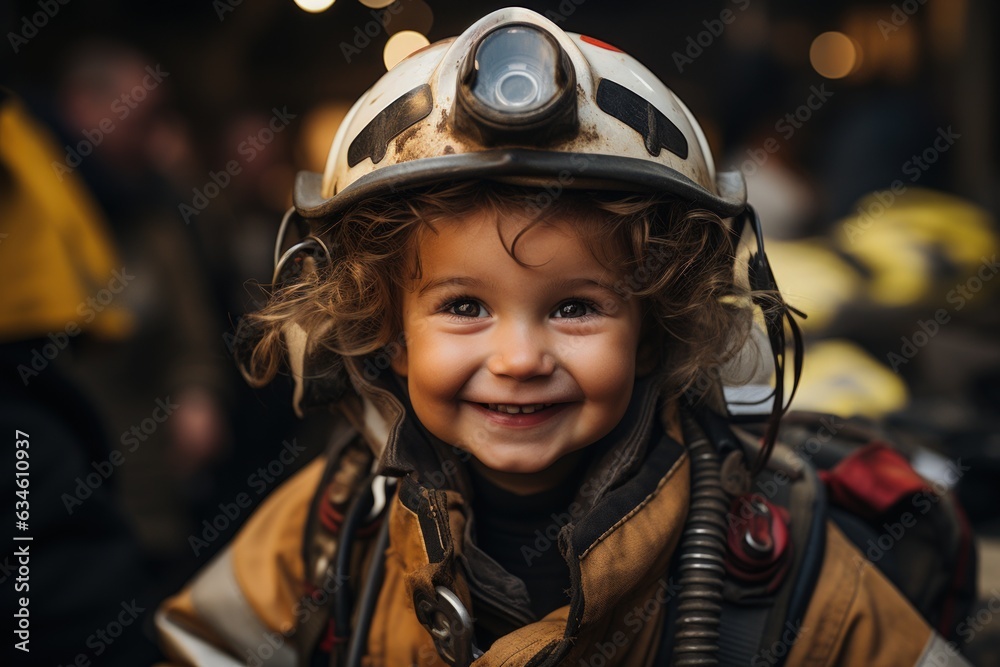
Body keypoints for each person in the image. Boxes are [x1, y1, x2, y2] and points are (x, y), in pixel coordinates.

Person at [156, 8, 971, 666]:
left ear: (657, 328)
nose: (518, 359)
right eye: (465, 307)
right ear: (386, 334)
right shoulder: (333, 532)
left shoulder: (779, 564)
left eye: (576, 307)